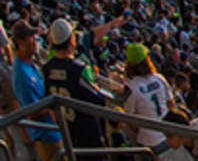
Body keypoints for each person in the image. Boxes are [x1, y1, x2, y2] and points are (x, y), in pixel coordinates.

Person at [43, 18, 109, 150]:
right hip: (87, 133)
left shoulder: (47, 68)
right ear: (71, 40)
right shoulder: (79, 69)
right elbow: (98, 100)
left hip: (67, 131)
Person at [10, 21, 61, 160]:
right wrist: (55, 106)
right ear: (20, 42)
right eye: (30, 37)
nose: (35, 41)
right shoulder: (21, 74)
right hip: (46, 136)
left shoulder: (30, 64)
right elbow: (31, 112)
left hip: (52, 132)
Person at [122, 42, 176, 151]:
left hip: (148, 140)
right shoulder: (159, 78)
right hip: (167, 136)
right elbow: (171, 105)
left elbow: (129, 119)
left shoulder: (131, 87)